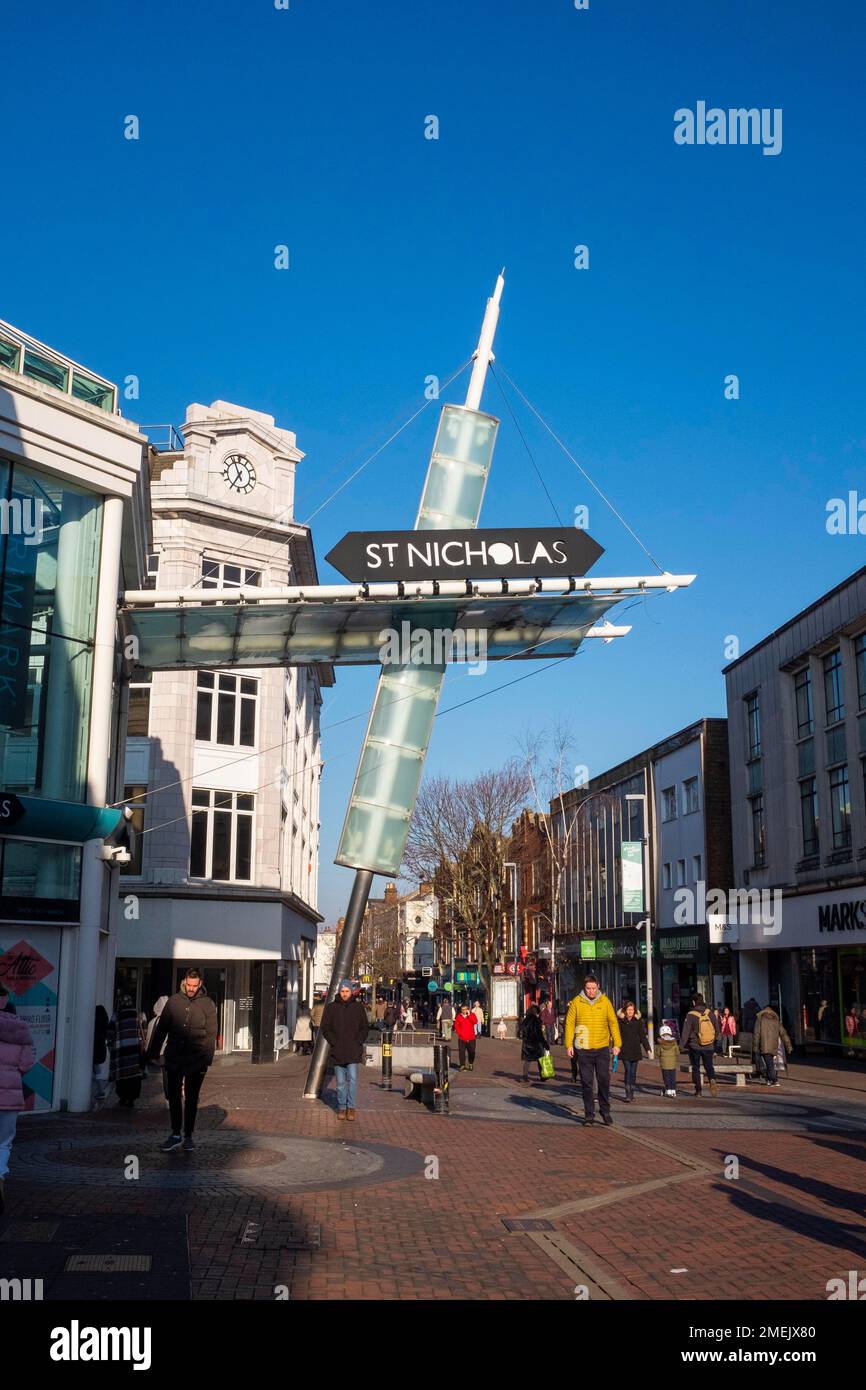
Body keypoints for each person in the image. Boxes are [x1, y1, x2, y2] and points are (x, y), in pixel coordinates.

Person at [145, 967, 217, 1151]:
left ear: (200, 983)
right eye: (189, 984)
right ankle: (176, 1133)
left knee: (192, 1099)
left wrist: (206, 1060)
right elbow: (162, 1030)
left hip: (196, 1059)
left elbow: (211, 1035)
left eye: (195, 985)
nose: (192, 988)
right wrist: (152, 1054)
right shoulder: (174, 1002)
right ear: (184, 982)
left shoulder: (207, 1004)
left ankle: (189, 1135)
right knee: (174, 1096)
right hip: (174, 1057)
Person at [565, 974, 622, 1127]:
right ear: (584, 988)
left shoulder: (605, 1002)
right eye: (588, 988)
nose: (591, 991)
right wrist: (568, 1044)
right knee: (587, 1082)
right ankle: (589, 1114)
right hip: (583, 1048)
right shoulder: (577, 1002)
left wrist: (617, 1043)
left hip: (602, 1047)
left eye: (594, 988)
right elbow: (570, 1024)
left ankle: (605, 1111)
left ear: (598, 987)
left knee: (604, 1080)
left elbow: (613, 1023)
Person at [0, 983, 35, 1215]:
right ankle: (0, 1174)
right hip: (10, 1094)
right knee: (4, 1141)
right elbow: (26, 1064)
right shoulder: (21, 1029)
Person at [320, 980, 370, 1120]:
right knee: (341, 1083)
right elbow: (325, 1027)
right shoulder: (331, 1008)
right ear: (339, 991)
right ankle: (342, 1107)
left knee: (353, 1079)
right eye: (342, 991)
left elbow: (365, 1027)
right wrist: (333, 1042)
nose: (344, 994)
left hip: (353, 1051)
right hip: (338, 1052)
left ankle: (351, 1107)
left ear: (351, 991)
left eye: (347, 991)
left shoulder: (358, 1007)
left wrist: (359, 1041)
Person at [108, 995, 145, 1107]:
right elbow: (140, 1031)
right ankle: (131, 1099)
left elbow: (110, 1032)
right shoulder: (136, 1015)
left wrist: (110, 1043)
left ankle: (123, 1097)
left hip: (121, 1051)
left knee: (122, 1076)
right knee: (134, 1076)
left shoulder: (117, 1016)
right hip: (134, 1051)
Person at [679, 994, 720, 1097]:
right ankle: (712, 1080)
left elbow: (686, 1032)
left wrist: (681, 1045)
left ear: (693, 1002)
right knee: (709, 1066)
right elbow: (717, 1030)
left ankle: (698, 1090)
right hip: (709, 1046)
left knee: (696, 1068)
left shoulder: (690, 1014)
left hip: (695, 1046)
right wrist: (712, 1040)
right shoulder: (710, 1013)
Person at [752, 1003, 792, 1086]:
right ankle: (768, 1079)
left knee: (768, 1063)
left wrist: (755, 1046)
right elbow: (783, 1033)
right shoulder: (776, 1020)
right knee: (768, 1062)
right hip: (774, 1045)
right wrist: (789, 1046)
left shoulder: (760, 1019)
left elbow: (756, 1033)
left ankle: (774, 1080)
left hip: (763, 1044)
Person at [618, 1000, 648, 1102]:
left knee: (633, 1073)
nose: (630, 1011)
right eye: (628, 1010)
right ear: (625, 1011)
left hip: (635, 1050)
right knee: (628, 1071)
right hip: (625, 1050)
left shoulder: (638, 1021)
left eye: (632, 1010)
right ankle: (627, 1094)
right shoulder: (621, 1022)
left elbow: (642, 1036)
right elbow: (617, 1036)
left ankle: (632, 1093)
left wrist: (647, 1048)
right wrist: (616, 1048)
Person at [144, 995, 170, 1106]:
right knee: (168, 1076)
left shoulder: (152, 1022)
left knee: (165, 1076)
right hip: (167, 1053)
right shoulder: (171, 1021)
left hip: (157, 1054)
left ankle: (168, 1097)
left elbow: (148, 1039)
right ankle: (170, 1097)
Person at [517, 1003, 548, 1082]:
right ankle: (543, 1076)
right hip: (536, 1044)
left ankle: (525, 1076)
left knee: (527, 1061)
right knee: (541, 1059)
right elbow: (539, 1034)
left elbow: (521, 1032)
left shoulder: (525, 1021)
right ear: (536, 1012)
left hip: (527, 1044)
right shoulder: (537, 1021)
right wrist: (545, 1043)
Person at [92, 1003, 110, 1107]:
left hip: (96, 1050)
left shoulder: (95, 1028)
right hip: (101, 1049)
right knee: (97, 1070)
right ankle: (100, 1090)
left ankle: (100, 1090)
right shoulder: (104, 1026)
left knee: (96, 1070)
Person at [453, 1003, 478, 1071]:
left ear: (468, 1009)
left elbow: (475, 1021)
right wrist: (460, 1034)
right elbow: (456, 1026)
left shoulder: (472, 1015)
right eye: (462, 1009)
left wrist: (469, 1015)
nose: (463, 1011)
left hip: (471, 1038)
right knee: (461, 1052)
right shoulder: (458, 1016)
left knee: (472, 1052)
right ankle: (462, 1065)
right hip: (462, 1038)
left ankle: (470, 1063)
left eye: (465, 1009)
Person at [657, 1024, 679, 1097]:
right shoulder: (674, 1042)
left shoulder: (660, 1043)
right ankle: (673, 1090)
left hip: (664, 1063)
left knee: (666, 1077)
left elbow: (657, 1053)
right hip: (672, 1063)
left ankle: (668, 1089)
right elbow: (677, 1052)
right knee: (672, 1076)